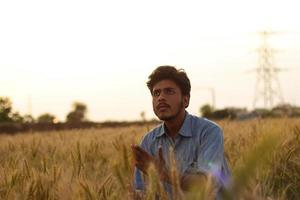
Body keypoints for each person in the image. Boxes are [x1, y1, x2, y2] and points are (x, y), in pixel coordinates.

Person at [131, 66, 230, 199]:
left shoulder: (209, 132)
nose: (161, 97)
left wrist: (163, 173)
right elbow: (140, 190)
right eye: (156, 93)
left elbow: (206, 184)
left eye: (169, 91)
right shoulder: (149, 141)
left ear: (185, 100)